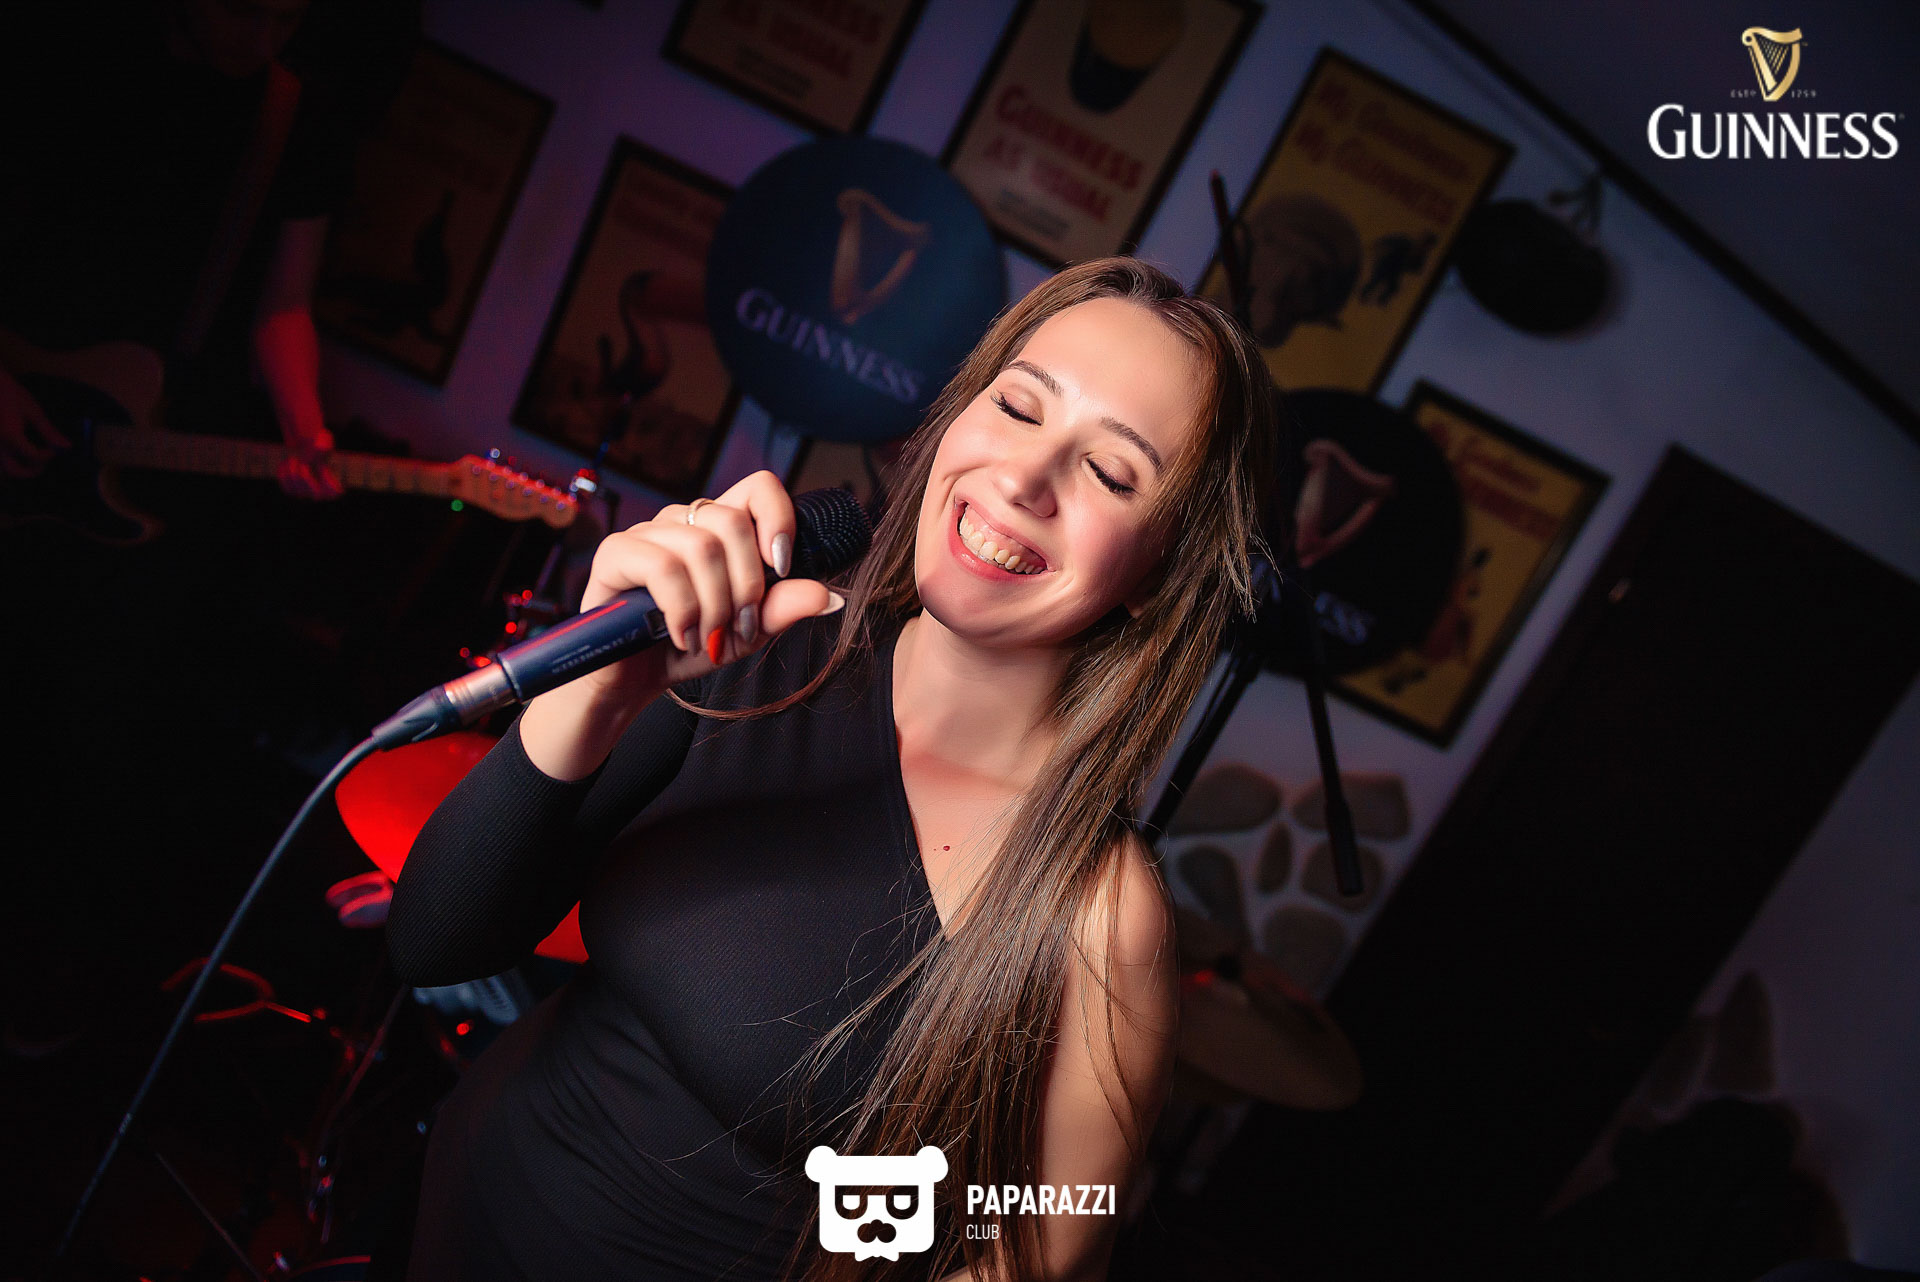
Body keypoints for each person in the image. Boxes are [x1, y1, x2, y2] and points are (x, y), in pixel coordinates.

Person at [383, 257, 1281, 1281]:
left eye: (1111, 473)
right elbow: (434, 942)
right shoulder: (759, 649)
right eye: (1018, 407)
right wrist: (591, 695)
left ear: (1162, 572)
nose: (1024, 480)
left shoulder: (1100, 913)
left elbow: (1034, 1253)